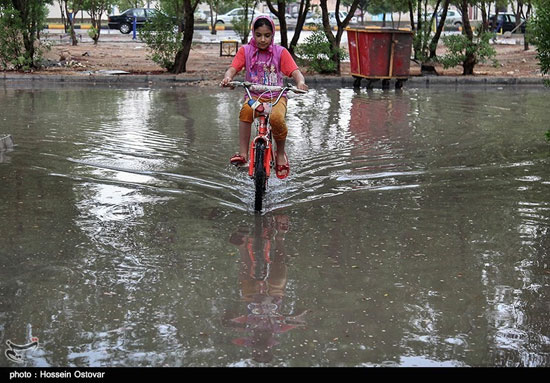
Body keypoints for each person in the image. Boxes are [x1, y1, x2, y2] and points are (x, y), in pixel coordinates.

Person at [221, 15, 308, 179]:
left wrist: (300, 82)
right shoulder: (245, 51)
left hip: (276, 97)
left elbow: (296, 72)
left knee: (276, 118)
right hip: (254, 97)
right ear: (253, 33)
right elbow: (232, 69)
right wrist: (228, 78)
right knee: (246, 111)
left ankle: (280, 154)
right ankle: (243, 154)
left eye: (267, 35)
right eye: (258, 35)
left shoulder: (280, 52)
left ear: (272, 35)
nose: (262, 39)